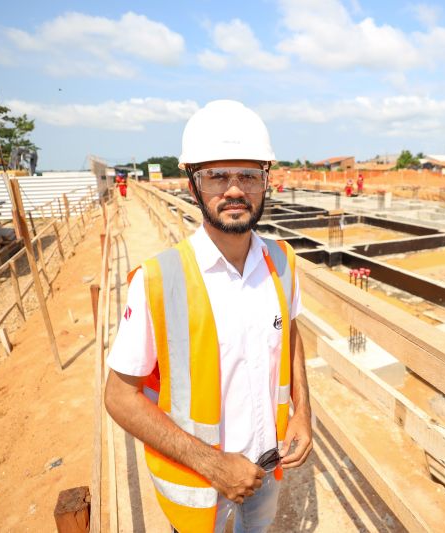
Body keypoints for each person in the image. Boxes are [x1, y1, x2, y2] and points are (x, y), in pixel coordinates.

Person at [104, 100, 312, 533]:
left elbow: (289, 334)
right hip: (201, 489)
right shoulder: (159, 281)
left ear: (266, 182)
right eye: (217, 176)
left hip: (267, 473)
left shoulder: (283, 261)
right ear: (193, 184)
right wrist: (214, 465)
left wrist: (302, 413)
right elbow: (119, 397)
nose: (234, 190)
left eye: (249, 176)